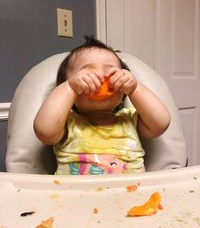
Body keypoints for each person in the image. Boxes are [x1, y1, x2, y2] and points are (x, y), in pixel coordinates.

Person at [34, 36, 171, 175]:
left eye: (111, 72)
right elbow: (45, 132)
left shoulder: (129, 120)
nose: (100, 77)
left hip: (132, 193)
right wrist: (70, 87)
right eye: (88, 73)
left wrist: (134, 89)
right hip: (76, 194)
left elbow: (161, 123)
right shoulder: (69, 123)